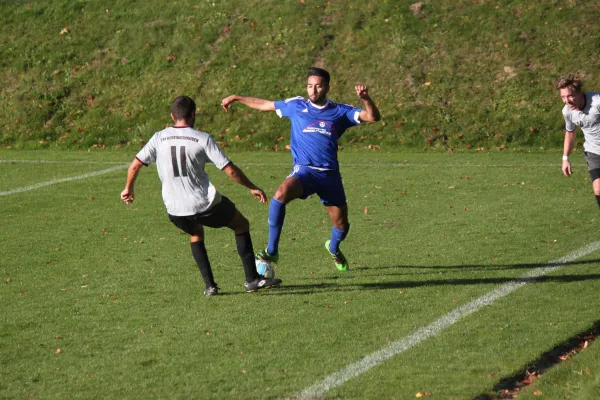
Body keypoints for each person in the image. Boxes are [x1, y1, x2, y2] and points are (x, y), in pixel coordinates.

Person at [221, 67, 381, 271]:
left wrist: (366, 99)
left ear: (327, 87)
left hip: (329, 176)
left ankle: (333, 248)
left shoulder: (340, 111)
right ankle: (272, 251)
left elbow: (372, 117)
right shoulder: (296, 106)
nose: (313, 90)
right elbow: (264, 105)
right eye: (309, 86)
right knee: (280, 194)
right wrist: (237, 97)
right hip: (305, 172)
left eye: (318, 86)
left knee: (341, 225)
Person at [120, 95, 282, 296]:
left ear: (172, 116)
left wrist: (129, 188)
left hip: (175, 209)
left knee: (195, 233)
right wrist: (252, 186)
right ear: (193, 114)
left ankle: (210, 286)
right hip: (204, 204)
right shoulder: (202, 139)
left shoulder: (158, 137)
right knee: (241, 225)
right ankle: (252, 279)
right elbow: (230, 170)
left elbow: (135, 164)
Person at [557, 76, 600, 209]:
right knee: (598, 189)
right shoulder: (567, 111)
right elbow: (570, 132)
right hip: (594, 152)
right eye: (563, 97)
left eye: (569, 96)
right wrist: (565, 158)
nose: (566, 101)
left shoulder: (597, 102)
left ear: (579, 92)